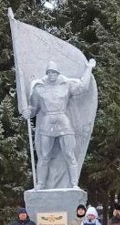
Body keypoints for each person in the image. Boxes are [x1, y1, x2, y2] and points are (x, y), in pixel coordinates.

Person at [22, 59, 96, 189]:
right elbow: (34, 108)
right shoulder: (39, 88)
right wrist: (28, 112)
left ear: (57, 73)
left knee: (69, 154)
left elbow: (83, 87)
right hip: (46, 122)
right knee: (44, 156)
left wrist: (88, 68)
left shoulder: (66, 84)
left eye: (54, 72)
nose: (51, 75)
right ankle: (40, 184)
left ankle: (74, 184)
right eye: (49, 72)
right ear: (47, 73)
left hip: (63, 121)